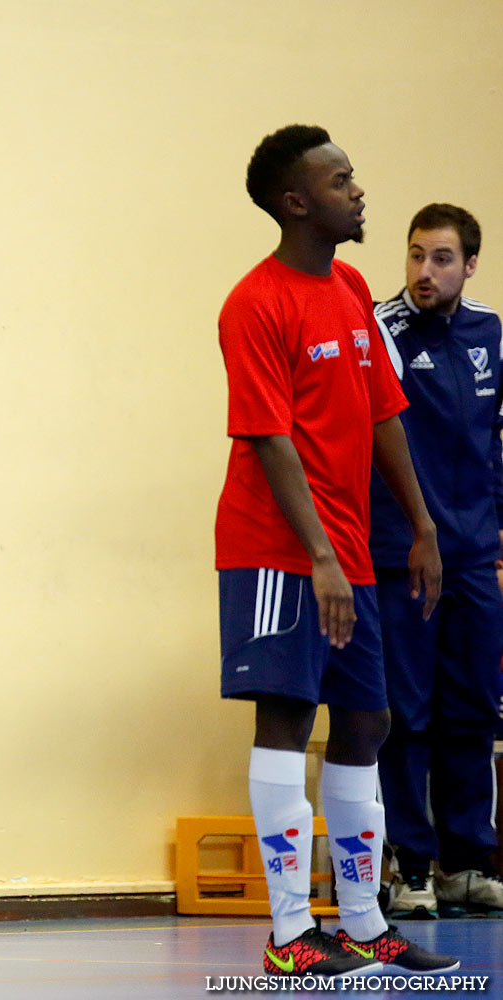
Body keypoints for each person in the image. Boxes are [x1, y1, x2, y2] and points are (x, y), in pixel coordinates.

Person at [215, 124, 457, 975]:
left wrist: (421, 525)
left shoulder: (352, 288)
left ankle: (362, 921)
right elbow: (270, 440)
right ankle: (290, 936)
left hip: (347, 549)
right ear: (296, 202)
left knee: (368, 720)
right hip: (276, 550)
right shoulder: (255, 302)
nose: (358, 191)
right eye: (341, 179)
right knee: (287, 717)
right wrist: (317, 555)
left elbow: (384, 410)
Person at [369, 203, 503, 918]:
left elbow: (497, 439)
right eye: (417, 255)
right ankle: (413, 867)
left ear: (470, 264)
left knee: (475, 708)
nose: (425, 271)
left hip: (477, 558)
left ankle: (468, 863)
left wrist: (498, 530)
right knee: (409, 713)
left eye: (442, 258)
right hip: (402, 556)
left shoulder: (491, 331)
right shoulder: (380, 330)